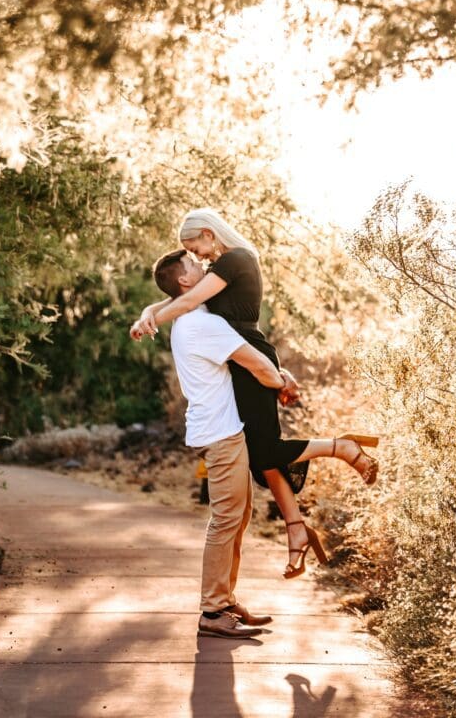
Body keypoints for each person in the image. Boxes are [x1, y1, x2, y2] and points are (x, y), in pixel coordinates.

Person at [131, 208, 379, 579]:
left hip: (249, 357)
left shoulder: (236, 259)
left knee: (263, 450)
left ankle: (340, 448)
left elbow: (182, 302)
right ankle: (296, 529)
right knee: (262, 453)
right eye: (190, 251)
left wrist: (152, 317)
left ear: (209, 234)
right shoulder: (217, 270)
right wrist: (147, 312)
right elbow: (177, 298)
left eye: (194, 244)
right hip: (239, 359)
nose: (196, 254)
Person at [151, 248, 285, 639]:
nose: (205, 266)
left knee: (238, 517)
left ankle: (225, 599)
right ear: (186, 282)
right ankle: (212, 612)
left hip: (223, 427)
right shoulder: (199, 324)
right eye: (196, 265)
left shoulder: (198, 316)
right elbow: (257, 364)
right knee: (226, 519)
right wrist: (284, 383)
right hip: (221, 431)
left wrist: (149, 313)